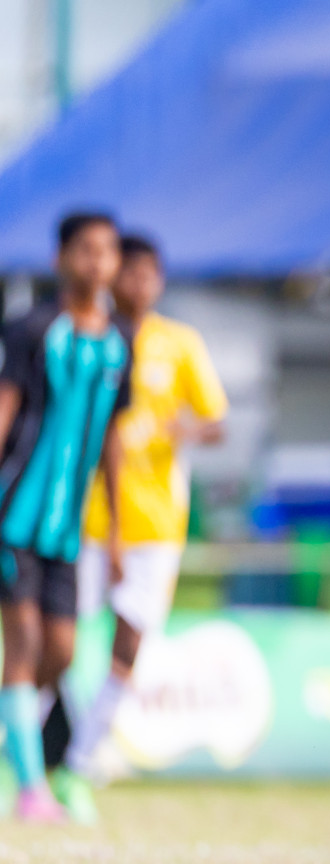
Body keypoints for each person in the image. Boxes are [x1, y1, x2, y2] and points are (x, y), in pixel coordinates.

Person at [47, 233, 227, 822]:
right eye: (131, 272)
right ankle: (20, 759)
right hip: (86, 517)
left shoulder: (179, 343)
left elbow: (214, 421)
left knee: (130, 644)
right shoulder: (87, 333)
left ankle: (79, 764)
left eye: (151, 273)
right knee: (57, 643)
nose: (139, 283)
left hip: (156, 524)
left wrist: (181, 431)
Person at [0, 211, 134, 822]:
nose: (97, 262)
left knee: (62, 652)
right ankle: (32, 790)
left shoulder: (117, 344)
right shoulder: (34, 329)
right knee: (24, 641)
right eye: (85, 250)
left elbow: (111, 439)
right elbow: (7, 408)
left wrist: (115, 533)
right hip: (15, 515)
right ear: (62, 259)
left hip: (69, 530)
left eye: (106, 252)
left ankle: (18, 743)